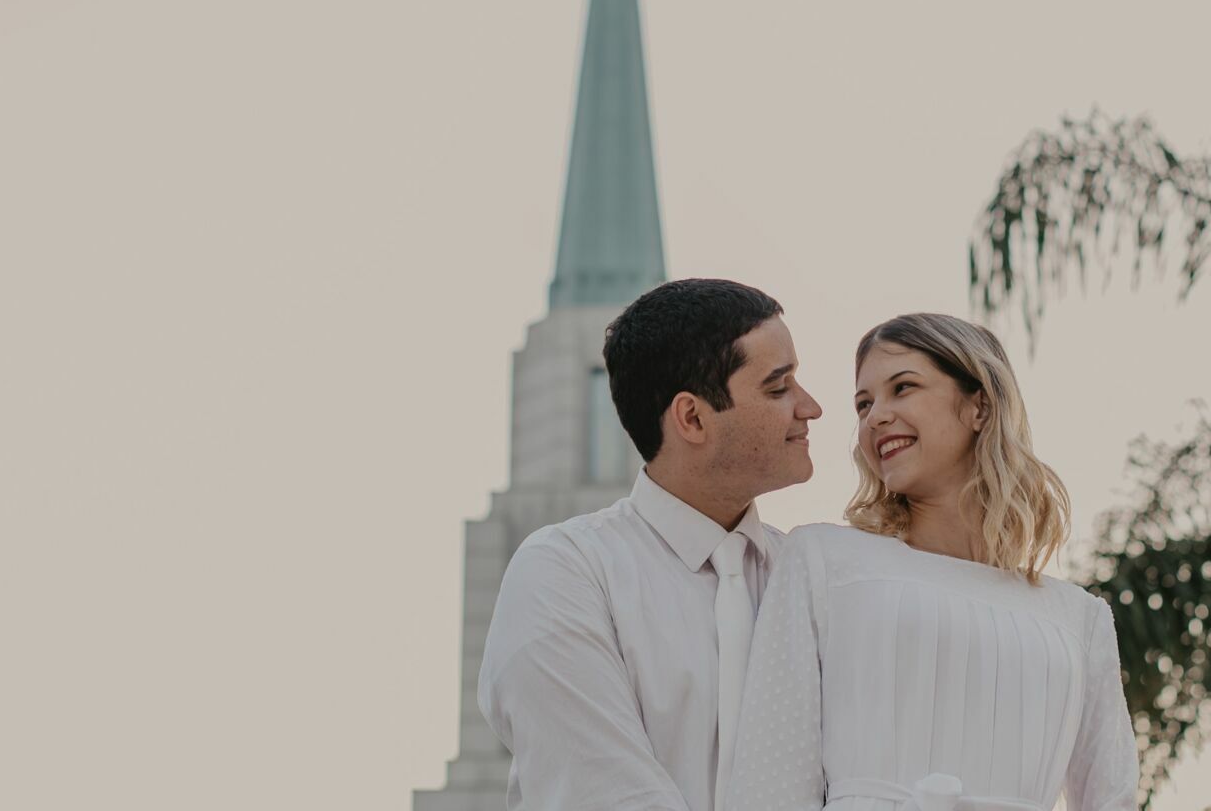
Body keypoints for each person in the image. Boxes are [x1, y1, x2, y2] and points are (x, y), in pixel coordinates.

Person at [724, 313, 1139, 811]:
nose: (875, 416)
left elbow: (1111, 800)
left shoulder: (1079, 619)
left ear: (978, 405)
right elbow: (769, 783)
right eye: (863, 404)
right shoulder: (823, 559)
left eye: (903, 387)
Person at [478, 277, 824, 811]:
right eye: (778, 388)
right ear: (692, 417)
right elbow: (602, 794)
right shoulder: (566, 573)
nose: (810, 407)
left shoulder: (813, 577)